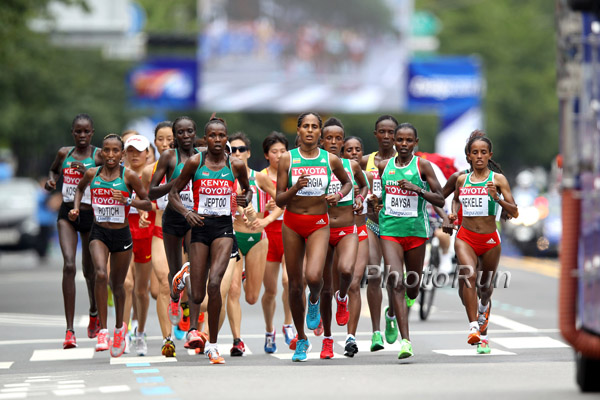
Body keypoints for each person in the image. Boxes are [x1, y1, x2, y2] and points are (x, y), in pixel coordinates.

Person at [169, 116, 251, 364]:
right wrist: (187, 212)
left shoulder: (235, 165)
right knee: (196, 296)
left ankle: (212, 345)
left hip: (224, 228)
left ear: (226, 138)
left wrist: (243, 199)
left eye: (221, 136)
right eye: (212, 136)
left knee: (215, 284)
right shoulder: (196, 162)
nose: (217, 140)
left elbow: (246, 190)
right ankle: (185, 276)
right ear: (205, 139)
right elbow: (173, 193)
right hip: (200, 227)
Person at [275, 112, 353, 362]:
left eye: (314, 127)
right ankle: (301, 338)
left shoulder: (330, 159)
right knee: (295, 285)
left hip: (319, 223)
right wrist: (295, 188)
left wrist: (338, 196)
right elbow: (278, 199)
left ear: (320, 133)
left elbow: (347, 183)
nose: (309, 130)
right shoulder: (287, 158)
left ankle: (315, 297)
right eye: (305, 126)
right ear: (298, 130)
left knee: (314, 277)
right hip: (292, 224)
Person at [69, 133, 152, 357]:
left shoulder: (130, 176)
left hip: (122, 235)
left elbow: (147, 203)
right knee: (100, 274)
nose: (111, 155)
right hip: (99, 232)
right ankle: (103, 331)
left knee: (119, 285)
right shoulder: (92, 173)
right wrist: (76, 208)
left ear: (122, 154)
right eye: (107, 150)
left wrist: (126, 200)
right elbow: (79, 189)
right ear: (101, 152)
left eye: (116, 151)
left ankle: (119, 329)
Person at [374, 122, 445, 359]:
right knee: (395, 281)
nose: (403, 144)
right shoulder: (384, 166)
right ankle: (406, 341)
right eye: (399, 140)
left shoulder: (422, 166)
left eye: (408, 140)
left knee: (412, 289)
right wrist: (375, 202)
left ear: (416, 142)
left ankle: (393, 311)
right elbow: (379, 196)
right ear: (394, 142)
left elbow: (440, 199)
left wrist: (417, 188)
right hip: (390, 230)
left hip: (416, 232)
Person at [448, 130, 518, 354]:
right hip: (465, 237)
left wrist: (497, 198)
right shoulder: (462, 179)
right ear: (468, 156)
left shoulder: (498, 180)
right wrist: (453, 214)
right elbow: (456, 201)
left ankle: (483, 307)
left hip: (489, 240)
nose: (479, 156)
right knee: (468, 276)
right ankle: (474, 328)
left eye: (483, 152)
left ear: (490, 155)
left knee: (485, 288)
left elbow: (515, 212)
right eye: (475, 153)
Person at [45, 113, 102, 349]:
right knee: (69, 265)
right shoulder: (63, 153)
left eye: (85, 131)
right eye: (77, 131)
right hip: (68, 213)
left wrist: (89, 172)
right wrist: (51, 181)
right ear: (72, 132)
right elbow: (54, 172)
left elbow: (111, 175)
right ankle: (69, 331)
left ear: (92, 133)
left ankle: (93, 311)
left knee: (89, 272)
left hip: (90, 215)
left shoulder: (99, 155)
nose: (81, 135)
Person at [148, 117, 205, 351]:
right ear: (175, 136)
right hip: (172, 219)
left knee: (193, 271)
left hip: (195, 219)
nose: (185, 136)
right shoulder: (169, 157)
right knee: (175, 274)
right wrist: (174, 185)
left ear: (194, 133)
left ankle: (192, 329)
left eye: (189, 131)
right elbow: (151, 192)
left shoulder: (202, 156)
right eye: (180, 132)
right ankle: (174, 298)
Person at [226, 132, 281, 356]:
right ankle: (237, 340)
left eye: (241, 149)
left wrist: (266, 219)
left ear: (248, 153)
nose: (237, 153)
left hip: (258, 239)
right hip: (233, 237)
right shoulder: (224, 178)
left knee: (251, 298)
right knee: (233, 290)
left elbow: (282, 200)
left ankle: (246, 274)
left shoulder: (259, 178)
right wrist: (236, 211)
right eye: (233, 150)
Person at [318, 118, 368, 359]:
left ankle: (343, 296)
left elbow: (364, 186)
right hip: (321, 230)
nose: (334, 142)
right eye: (329, 138)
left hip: (347, 228)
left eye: (339, 138)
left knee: (347, 272)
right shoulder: (314, 165)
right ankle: (327, 339)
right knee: (324, 287)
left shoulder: (351, 166)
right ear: (321, 140)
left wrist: (360, 199)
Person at [359, 115, 398, 351]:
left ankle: (391, 315)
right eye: (381, 132)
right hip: (372, 224)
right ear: (375, 134)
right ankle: (375, 332)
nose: (386, 136)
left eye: (390, 132)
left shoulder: (406, 162)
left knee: (394, 278)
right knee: (373, 274)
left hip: (395, 226)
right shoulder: (364, 161)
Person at [141, 121, 177, 356]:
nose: (165, 143)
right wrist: (146, 211)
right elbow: (147, 199)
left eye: (170, 138)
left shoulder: (189, 165)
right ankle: (168, 340)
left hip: (185, 230)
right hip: (159, 229)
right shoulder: (148, 171)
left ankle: (189, 317)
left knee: (190, 286)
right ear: (155, 142)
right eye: (161, 139)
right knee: (164, 282)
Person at [260, 132, 295, 353]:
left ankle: (288, 325)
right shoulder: (261, 177)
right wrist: (266, 209)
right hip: (267, 235)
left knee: (288, 281)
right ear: (266, 155)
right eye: (274, 152)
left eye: (283, 151)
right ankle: (269, 329)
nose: (279, 155)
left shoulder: (292, 175)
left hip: (288, 231)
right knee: (270, 290)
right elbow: (252, 206)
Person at [121, 135, 155, 356]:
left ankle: (140, 333)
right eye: (130, 151)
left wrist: (146, 210)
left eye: (139, 151)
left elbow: (157, 202)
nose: (135, 155)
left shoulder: (154, 174)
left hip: (147, 233)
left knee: (142, 291)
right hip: (123, 231)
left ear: (147, 153)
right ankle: (122, 333)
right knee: (126, 284)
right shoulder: (119, 175)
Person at [341, 136, 373, 357]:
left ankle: (350, 337)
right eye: (349, 150)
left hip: (360, 232)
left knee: (354, 283)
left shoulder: (369, 177)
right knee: (331, 284)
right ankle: (328, 315)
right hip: (337, 234)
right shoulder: (334, 174)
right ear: (343, 154)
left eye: (357, 149)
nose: (353, 153)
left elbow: (379, 206)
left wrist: (375, 204)